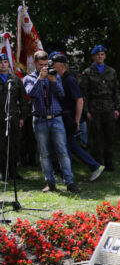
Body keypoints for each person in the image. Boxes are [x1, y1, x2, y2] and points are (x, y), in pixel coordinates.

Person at [23, 51, 80, 193]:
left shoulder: (54, 75)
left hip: (56, 118)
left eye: (45, 64)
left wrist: (53, 81)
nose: (43, 67)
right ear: (35, 63)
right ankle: (50, 182)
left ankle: (70, 182)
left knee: (63, 151)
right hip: (40, 120)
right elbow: (31, 94)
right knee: (44, 153)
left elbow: (61, 94)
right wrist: (41, 79)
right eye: (40, 64)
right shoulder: (29, 78)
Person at [51, 53, 105, 182]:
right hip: (66, 117)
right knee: (70, 146)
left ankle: (92, 167)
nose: (52, 66)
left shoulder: (69, 79)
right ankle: (90, 167)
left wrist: (77, 121)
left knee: (68, 146)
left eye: (54, 63)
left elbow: (79, 100)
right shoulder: (61, 78)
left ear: (62, 65)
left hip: (70, 119)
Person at [79, 45, 120, 171]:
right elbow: (83, 94)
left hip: (109, 107)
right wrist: (86, 111)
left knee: (109, 137)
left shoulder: (111, 71)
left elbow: (116, 91)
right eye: (98, 55)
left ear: (105, 56)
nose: (100, 57)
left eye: (102, 54)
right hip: (94, 108)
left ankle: (109, 162)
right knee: (95, 138)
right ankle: (97, 163)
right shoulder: (87, 72)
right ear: (93, 56)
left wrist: (117, 108)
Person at [0, 53, 29, 181]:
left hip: (13, 118)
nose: (3, 64)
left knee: (14, 145)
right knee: (1, 147)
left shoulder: (15, 80)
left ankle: (13, 171)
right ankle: (4, 173)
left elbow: (23, 101)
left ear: (8, 64)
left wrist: (22, 118)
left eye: (5, 62)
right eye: (1, 62)